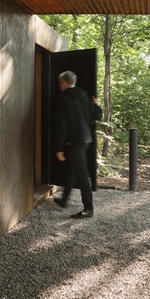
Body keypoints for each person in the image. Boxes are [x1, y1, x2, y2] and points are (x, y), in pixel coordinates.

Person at [52, 70, 102, 218]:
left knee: (82, 174)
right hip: (85, 140)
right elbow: (97, 115)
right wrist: (96, 104)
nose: (59, 85)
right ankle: (64, 199)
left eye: (60, 82)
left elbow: (62, 126)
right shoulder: (84, 96)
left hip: (75, 142)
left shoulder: (64, 99)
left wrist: (59, 148)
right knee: (72, 169)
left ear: (64, 83)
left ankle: (88, 209)